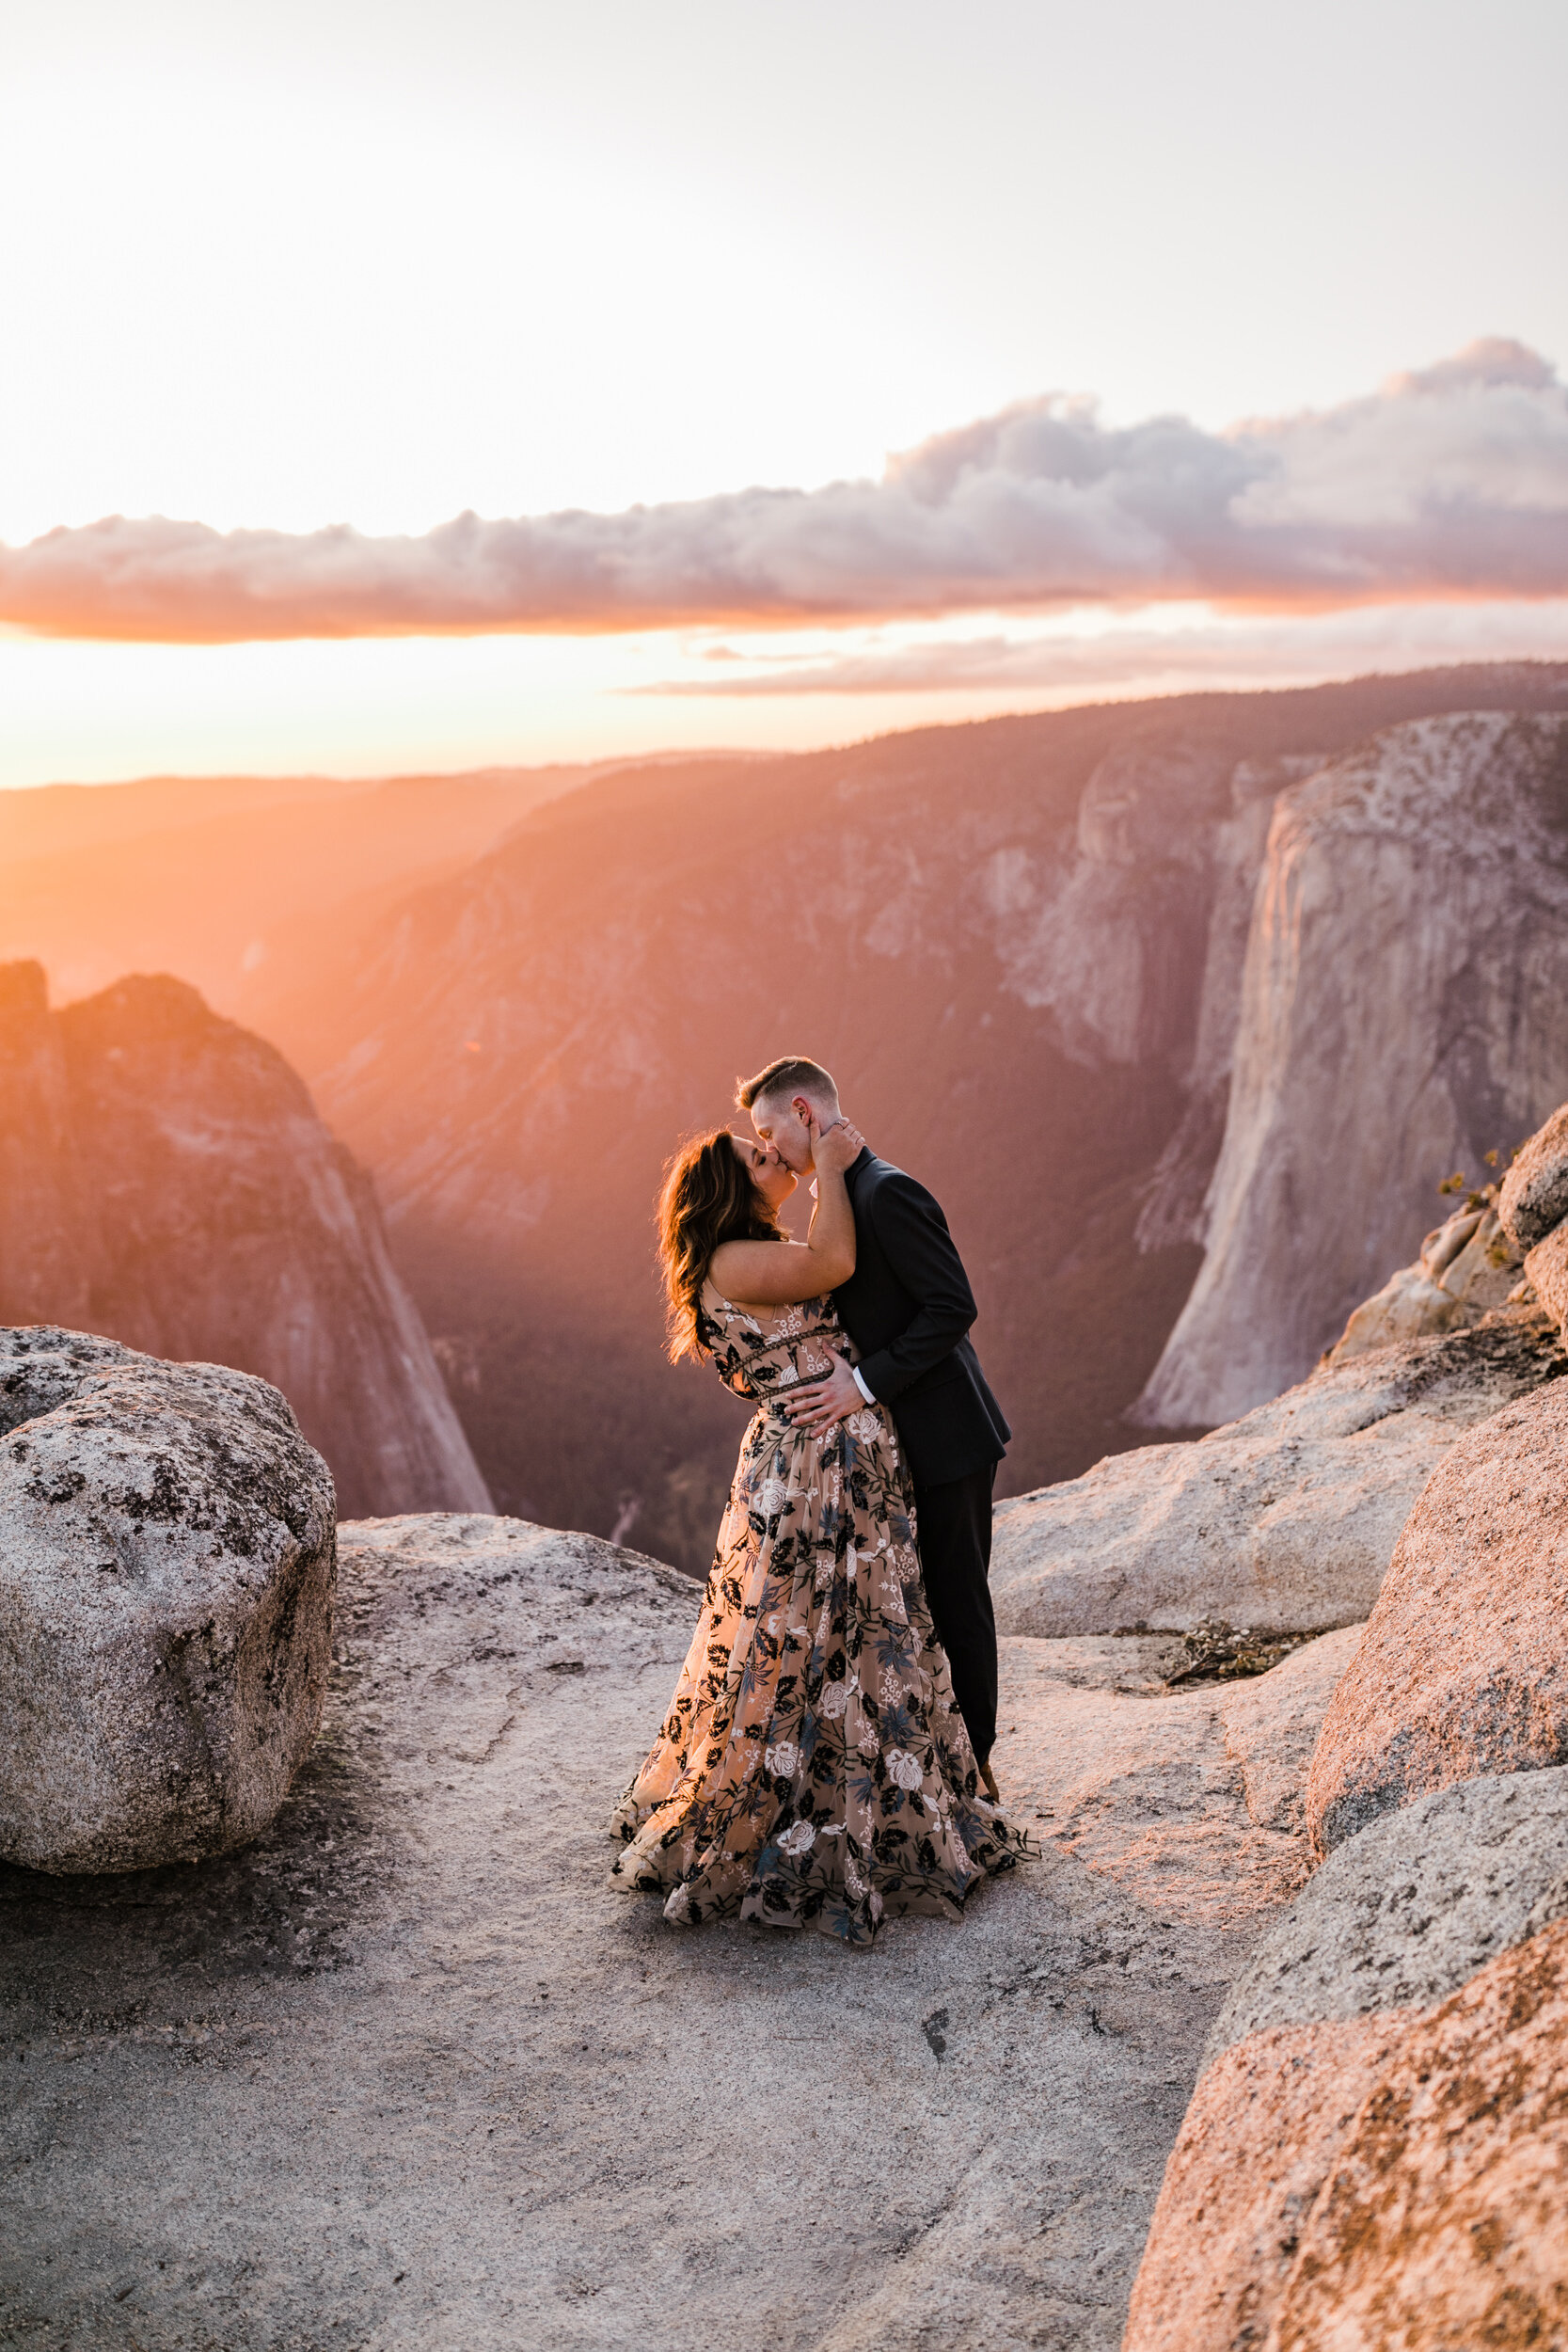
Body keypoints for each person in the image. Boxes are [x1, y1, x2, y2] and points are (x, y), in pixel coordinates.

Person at [610, 1110, 1025, 1945]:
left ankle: (848, 1790)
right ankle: (815, 1813)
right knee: (822, 1628)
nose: (772, 1156)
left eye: (767, 1144)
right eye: (756, 1155)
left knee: (847, 1630)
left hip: (831, 1456)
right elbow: (832, 1262)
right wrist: (831, 1167)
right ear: (728, 1190)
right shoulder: (734, 1258)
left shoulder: (739, 1251)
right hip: (815, 1468)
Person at [742, 1057, 1010, 1800]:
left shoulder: (885, 1191)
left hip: (947, 1435)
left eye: (767, 1130)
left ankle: (977, 1768)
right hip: (898, 1444)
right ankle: (939, 1758)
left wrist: (858, 1385)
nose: (767, 1149)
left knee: (956, 1598)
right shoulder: (839, 1190)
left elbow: (951, 1308)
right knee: (915, 1602)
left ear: (803, 1112)